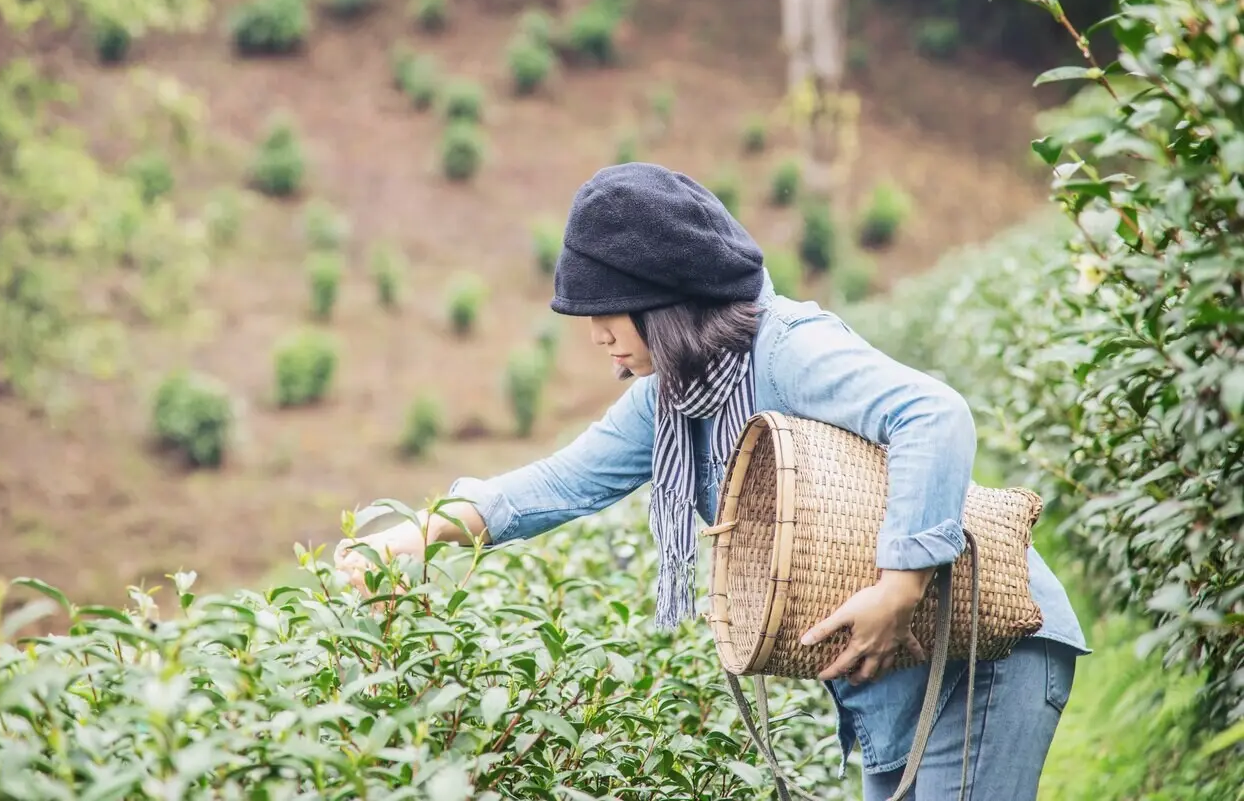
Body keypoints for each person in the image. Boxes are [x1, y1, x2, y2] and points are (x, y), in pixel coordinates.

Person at [335, 162, 1089, 801]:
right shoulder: (671, 404)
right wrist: (416, 536)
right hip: (899, 676)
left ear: (664, 299)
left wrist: (900, 585)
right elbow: (553, 485)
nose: (596, 332)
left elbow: (935, 414)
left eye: (606, 310)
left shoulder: (789, 350)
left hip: (986, 643)